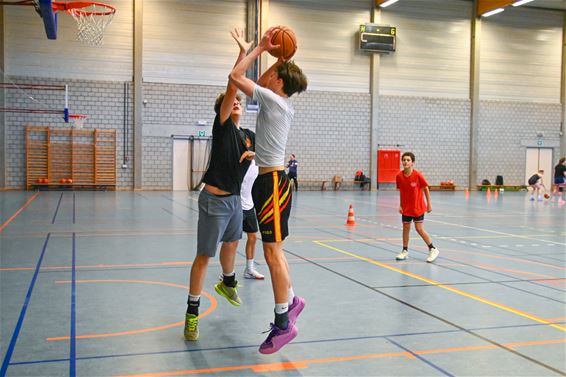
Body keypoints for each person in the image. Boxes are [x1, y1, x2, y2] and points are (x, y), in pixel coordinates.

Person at [230, 26, 308, 354]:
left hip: (272, 183)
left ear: (280, 83)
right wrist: (281, 57)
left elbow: (235, 76)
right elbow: (258, 82)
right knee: (276, 250)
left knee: (272, 252)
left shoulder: (275, 101)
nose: (268, 76)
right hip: (269, 182)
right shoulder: (275, 96)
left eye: (275, 74)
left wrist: (261, 49)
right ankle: (291, 301)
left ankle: (282, 324)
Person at [184, 28, 255, 342]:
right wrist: (243, 53)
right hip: (213, 202)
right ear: (224, 110)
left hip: (234, 202)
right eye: (233, 101)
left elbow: (250, 158)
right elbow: (232, 82)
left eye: (240, 101)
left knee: (233, 244)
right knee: (203, 257)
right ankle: (191, 314)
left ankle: (228, 282)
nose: (237, 102)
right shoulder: (224, 125)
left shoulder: (246, 135)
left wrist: (255, 154)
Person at [395, 152, 440, 263]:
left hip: (418, 207)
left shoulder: (418, 175)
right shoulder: (399, 176)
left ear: (412, 163)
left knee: (419, 229)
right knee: (405, 229)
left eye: (408, 160)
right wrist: (401, 204)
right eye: (404, 160)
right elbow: (402, 191)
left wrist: (429, 204)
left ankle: (433, 249)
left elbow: (425, 188)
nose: (405, 161)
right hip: (406, 207)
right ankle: (404, 251)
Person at [241, 159, 265, 279]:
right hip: (235, 206)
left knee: (253, 237)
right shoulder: (239, 161)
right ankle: (226, 273)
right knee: (230, 241)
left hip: (249, 206)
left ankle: (249, 269)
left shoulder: (257, 164)